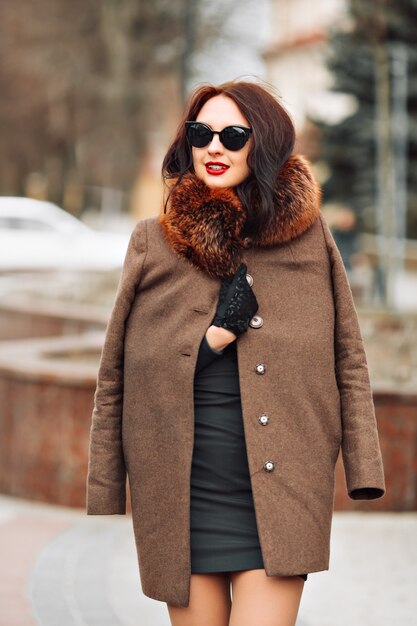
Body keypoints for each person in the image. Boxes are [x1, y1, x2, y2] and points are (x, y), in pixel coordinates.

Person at [86, 81, 385, 626]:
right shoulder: (153, 241)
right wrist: (213, 338)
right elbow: (119, 374)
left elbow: (349, 358)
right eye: (201, 133)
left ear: (262, 143)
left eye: (233, 134)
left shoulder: (310, 239)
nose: (214, 147)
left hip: (283, 488)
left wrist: (364, 467)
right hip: (182, 495)